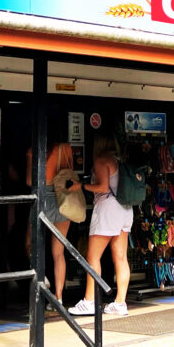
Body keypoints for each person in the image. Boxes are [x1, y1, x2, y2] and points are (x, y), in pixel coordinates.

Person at [69, 130, 133, 317]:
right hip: (125, 209)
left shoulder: (101, 160)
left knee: (93, 256)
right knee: (121, 258)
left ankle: (89, 300)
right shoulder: (119, 159)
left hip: (107, 209)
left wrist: (80, 185)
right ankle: (120, 303)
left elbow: (103, 187)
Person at [26, 139, 81, 302]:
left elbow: (30, 181)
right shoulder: (66, 148)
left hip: (43, 197)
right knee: (58, 253)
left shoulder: (33, 148)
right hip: (63, 197)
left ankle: (43, 279)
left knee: (30, 244)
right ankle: (59, 297)